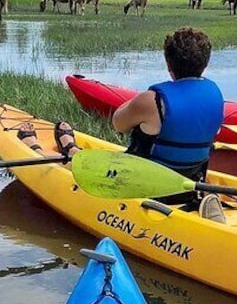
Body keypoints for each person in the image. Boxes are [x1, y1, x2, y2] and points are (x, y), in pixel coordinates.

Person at [18, 27, 226, 219]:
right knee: (87, 159)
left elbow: (118, 124)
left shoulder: (153, 99)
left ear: (168, 64)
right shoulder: (215, 94)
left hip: (138, 183)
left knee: (79, 167)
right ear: (205, 64)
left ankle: (35, 148)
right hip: (189, 181)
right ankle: (71, 149)